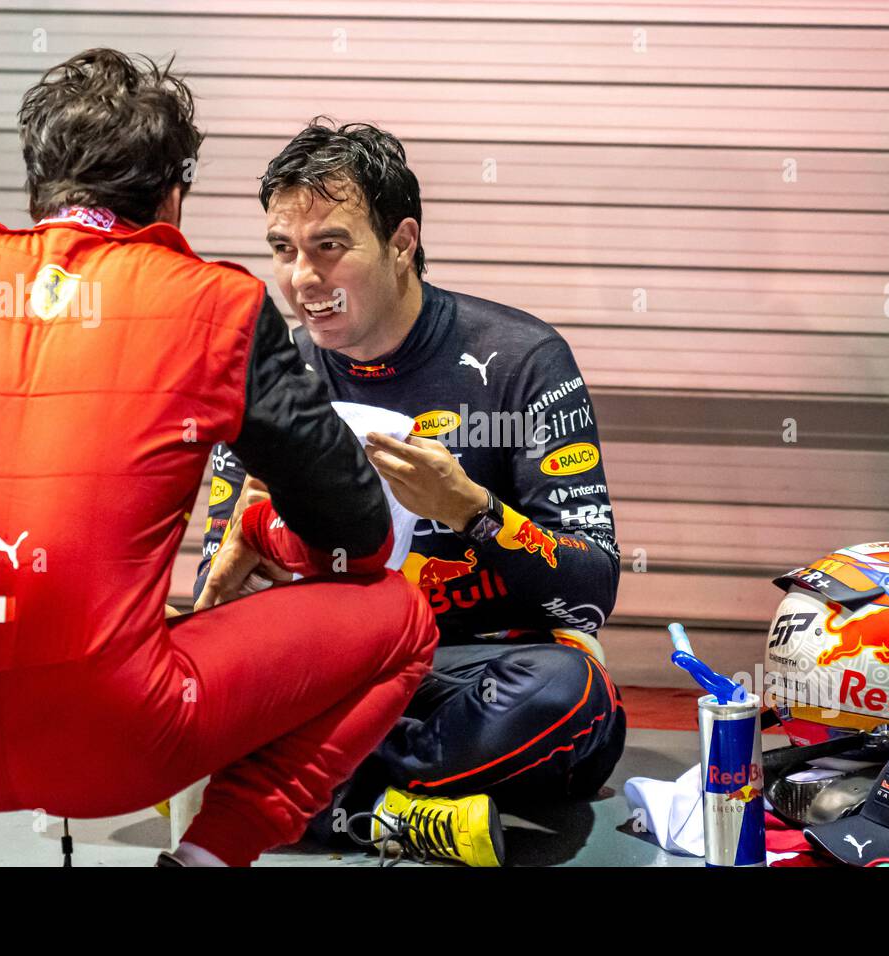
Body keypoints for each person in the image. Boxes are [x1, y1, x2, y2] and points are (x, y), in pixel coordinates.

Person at [0, 50, 437, 868]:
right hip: (121, 744)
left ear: (36, 186)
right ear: (172, 195)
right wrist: (266, 540)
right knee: (403, 620)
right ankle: (203, 859)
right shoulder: (217, 303)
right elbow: (359, 534)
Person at [197, 120, 625, 866]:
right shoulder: (271, 376)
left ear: (402, 242)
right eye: (284, 250)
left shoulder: (524, 360)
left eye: (330, 245)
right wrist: (245, 544)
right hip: (332, 676)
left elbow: (590, 594)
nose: (303, 278)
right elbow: (215, 596)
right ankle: (392, 810)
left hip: (477, 675)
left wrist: (470, 510)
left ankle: (327, 802)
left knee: (570, 694)